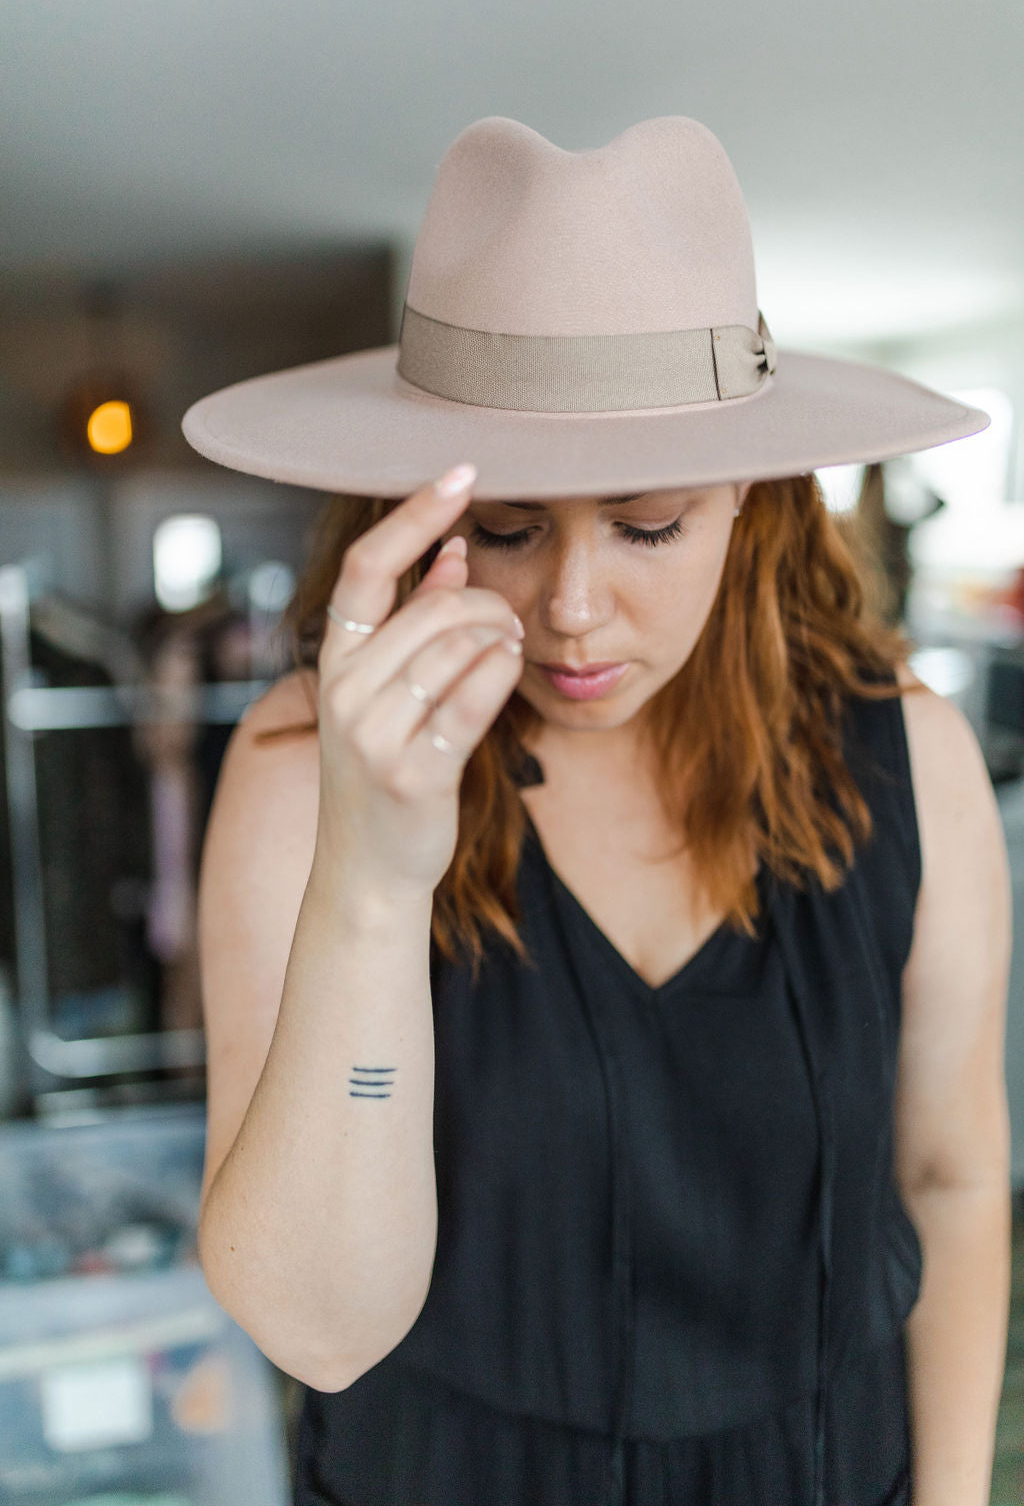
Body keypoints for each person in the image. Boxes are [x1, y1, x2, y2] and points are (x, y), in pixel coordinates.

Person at [182, 117, 1012, 1506]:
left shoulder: (911, 763)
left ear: (747, 496)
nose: (571, 611)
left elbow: (952, 1176)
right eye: (507, 527)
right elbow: (318, 1327)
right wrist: (374, 886)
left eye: (646, 524)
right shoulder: (294, 775)